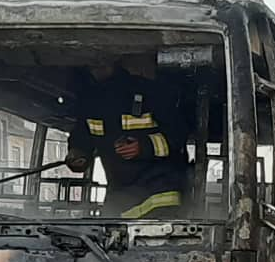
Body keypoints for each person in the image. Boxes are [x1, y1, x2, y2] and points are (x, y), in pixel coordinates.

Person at [64, 56, 192, 218]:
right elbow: (82, 136)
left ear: (115, 61)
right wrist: (78, 153)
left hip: (159, 198)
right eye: (92, 62)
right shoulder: (89, 102)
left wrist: (144, 146)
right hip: (119, 198)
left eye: (102, 60)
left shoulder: (150, 92)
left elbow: (178, 133)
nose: (97, 66)